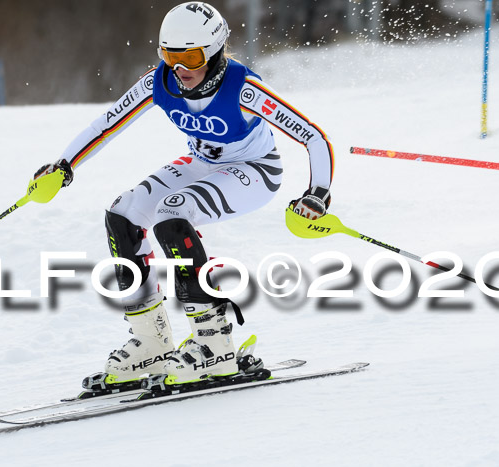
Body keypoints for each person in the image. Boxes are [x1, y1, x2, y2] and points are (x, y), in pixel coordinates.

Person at [33, 2, 334, 391]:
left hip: (255, 171)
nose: (180, 69)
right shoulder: (159, 82)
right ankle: (152, 341)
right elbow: (106, 125)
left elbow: (314, 136)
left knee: (170, 215)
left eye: (189, 57)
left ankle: (215, 342)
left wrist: (317, 195)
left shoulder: (244, 88)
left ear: (214, 51)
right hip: (200, 163)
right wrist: (63, 166)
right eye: (169, 56)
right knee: (123, 214)